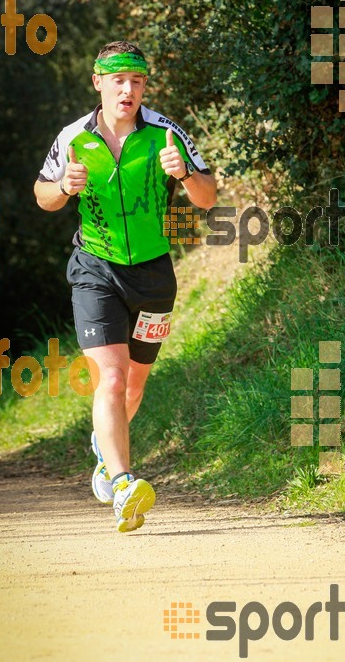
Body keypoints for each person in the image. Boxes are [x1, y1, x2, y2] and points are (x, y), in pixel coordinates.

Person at [34, 40, 217, 533]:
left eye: (136, 81)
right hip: (94, 267)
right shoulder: (74, 137)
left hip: (155, 275)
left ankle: (103, 449)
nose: (128, 90)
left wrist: (186, 175)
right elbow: (42, 194)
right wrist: (65, 187)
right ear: (98, 82)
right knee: (110, 380)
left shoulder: (166, 133)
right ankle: (123, 483)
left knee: (134, 386)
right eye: (118, 80)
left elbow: (207, 195)